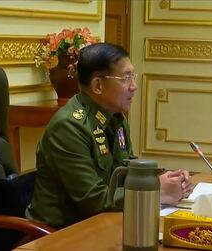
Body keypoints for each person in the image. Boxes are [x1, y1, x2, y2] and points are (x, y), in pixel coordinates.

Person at [26, 43, 194, 229]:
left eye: (133, 76)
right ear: (98, 85)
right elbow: (94, 200)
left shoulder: (115, 116)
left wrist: (166, 179)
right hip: (60, 234)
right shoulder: (69, 127)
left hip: (100, 225)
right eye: (126, 77)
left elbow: (127, 168)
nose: (134, 86)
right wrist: (155, 190)